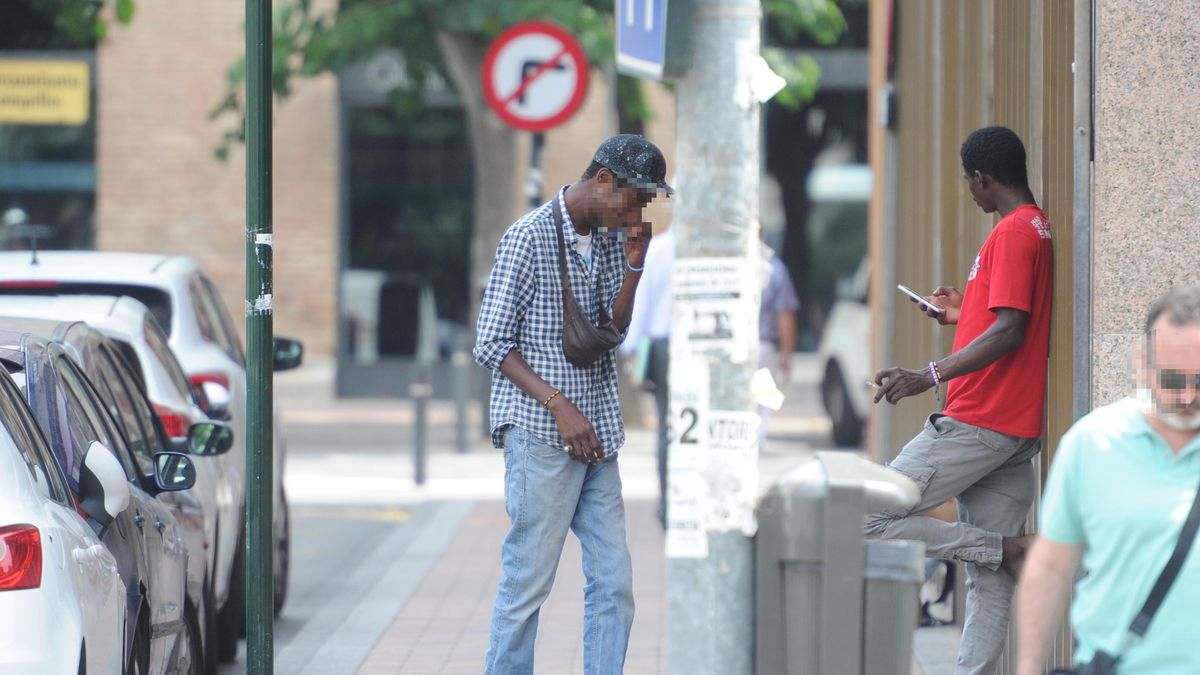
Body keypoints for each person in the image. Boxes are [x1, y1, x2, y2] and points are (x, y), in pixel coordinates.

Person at [473, 134, 671, 674]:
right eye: (635, 199)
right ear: (604, 181)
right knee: (527, 585)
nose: (638, 212)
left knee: (615, 583)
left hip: (597, 433)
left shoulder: (608, 240)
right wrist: (559, 405)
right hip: (541, 433)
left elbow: (614, 329)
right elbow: (491, 341)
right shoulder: (529, 237)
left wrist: (635, 264)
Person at [863, 126, 1054, 674]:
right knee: (990, 584)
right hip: (1012, 427)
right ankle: (1003, 555)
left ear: (983, 178)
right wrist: (960, 310)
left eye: (969, 182)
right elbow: (1006, 318)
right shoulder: (1034, 229)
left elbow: (1011, 331)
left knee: (867, 515)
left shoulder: (1014, 232)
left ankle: (1004, 547)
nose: (970, 192)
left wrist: (929, 373)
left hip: (978, 422)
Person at [1015, 287, 1200, 675]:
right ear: (1143, 363)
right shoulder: (1093, 443)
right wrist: (1028, 667)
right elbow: (1050, 565)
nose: (1187, 395)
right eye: (1171, 379)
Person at [621, 226, 674, 526]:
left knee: (668, 428)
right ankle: (672, 502)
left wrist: (633, 352)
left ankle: (668, 504)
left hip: (663, 344)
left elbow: (642, 302)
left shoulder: (660, 248)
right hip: (669, 344)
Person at [757, 250, 800, 448]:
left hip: (733, 345)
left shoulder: (729, 264)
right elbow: (785, 315)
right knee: (761, 402)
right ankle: (755, 442)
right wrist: (786, 355)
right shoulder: (775, 269)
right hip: (764, 348)